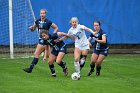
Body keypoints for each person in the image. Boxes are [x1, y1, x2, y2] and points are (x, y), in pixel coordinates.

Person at [23, 9, 58, 73]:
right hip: (40, 39)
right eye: (41, 13)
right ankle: (61, 64)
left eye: (43, 13)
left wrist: (52, 35)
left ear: (45, 14)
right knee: (48, 56)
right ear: (40, 14)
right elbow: (33, 29)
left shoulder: (48, 22)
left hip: (45, 40)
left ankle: (30, 69)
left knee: (36, 54)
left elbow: (56, 27)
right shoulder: (37, 21)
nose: (42, 14)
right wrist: (31, 28)